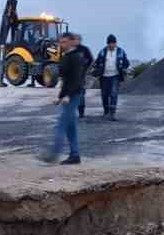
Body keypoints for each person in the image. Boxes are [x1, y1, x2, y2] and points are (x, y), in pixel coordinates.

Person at [42, 30, 86, 165]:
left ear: (71, 42)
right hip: (68, 95)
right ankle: (75, 155)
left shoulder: (77, 57)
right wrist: (60, 96)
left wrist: (67, 96)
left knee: (61, 124)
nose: (62, 44)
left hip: (74, 94)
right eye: (60, 42)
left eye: (64, 42)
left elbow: (77, 80)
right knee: (70, 127)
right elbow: (65, 80)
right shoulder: (65, 56)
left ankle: (53, 155)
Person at [91, 34, 131, 118]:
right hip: (104, 76)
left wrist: (124, 68)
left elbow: (126, 63)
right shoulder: (102, 52)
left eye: (113, 43)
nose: (112, 45)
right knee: (104, 95)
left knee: (113, 93)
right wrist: (96, 71)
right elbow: (97, 63)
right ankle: (106, 112)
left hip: (115, 76)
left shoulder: (121, 52)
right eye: (110, 43)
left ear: (116, 43)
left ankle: (112, 113)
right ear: (107, 43)